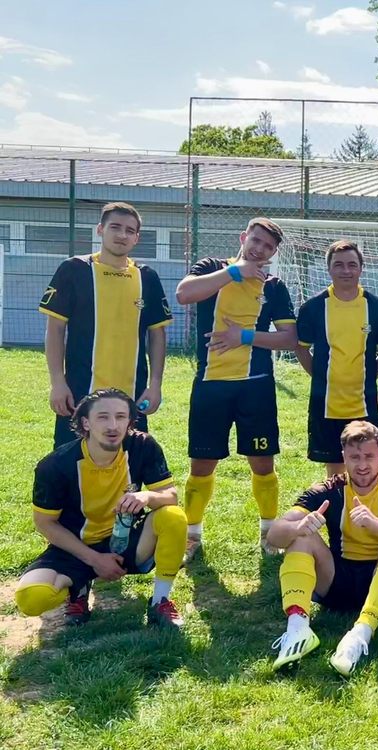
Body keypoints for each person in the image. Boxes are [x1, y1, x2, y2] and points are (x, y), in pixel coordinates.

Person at [174, 218, 297, 564]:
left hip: (256, 388)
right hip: (211, 385)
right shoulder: (212, 268)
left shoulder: (274, 287)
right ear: (243, 237)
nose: (259, 249)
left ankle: (269, 532)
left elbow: (289, 338)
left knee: (262, 463)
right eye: (255, 240)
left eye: (267, 246)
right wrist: (234, 272)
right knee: (202, 464)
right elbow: (184, 294)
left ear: (273, 253)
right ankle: (191, 535)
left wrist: (242, 336)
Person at [13, 389, 187, 628]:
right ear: (86, 423)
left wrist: (146, 496)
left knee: (173, 516)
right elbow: (44, 523)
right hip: (77, 547)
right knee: (31, 599)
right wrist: (95, 559)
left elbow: (171, 496)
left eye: (120, 417)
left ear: (130, 421)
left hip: (126, 541)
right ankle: (78, 587)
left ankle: (160, 601)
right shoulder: (55, 465)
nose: (113, 425)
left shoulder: (142, 446)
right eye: (103, 417)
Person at [266, 421, 378, 675]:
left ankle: (361, 633)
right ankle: (298, 628)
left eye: (369, 456)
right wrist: (298, 527)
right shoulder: (328, 490)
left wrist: (376, 524)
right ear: (343, 457)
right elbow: (274, 535)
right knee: (300, 537)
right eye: (354, 457)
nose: (362, 465)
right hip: (337, 582)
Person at [40, 201, 172, 448]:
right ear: (100, 229)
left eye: (130, 230)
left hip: (131, 395)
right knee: (72, 461)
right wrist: (57, 382)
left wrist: (155, 385)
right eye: (115, 227)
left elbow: (157, 334)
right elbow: (55, 329)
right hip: (79, 391)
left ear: (136, 238)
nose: (122, 235)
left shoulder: (147, 277)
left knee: (129, 463)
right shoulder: (74, 269)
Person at [295, 240, 378, 478]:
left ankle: (367, 503)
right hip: (326, 404)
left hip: (364, 403)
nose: (346, 271)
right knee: (335, 471)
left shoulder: (377, 308)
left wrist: (366, 377)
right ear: (329, 268)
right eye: (338, 265)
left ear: (361, 268)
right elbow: (301, 349)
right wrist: (322, 376)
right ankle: (339, 503)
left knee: (366, 465)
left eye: (352, 265)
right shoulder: (313, 308)